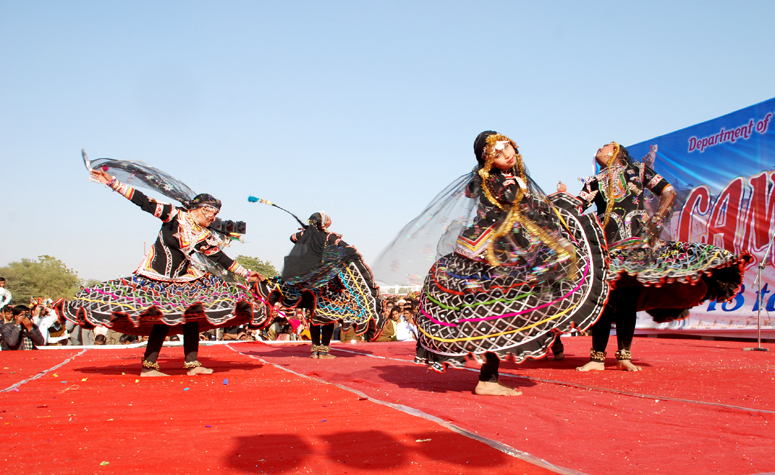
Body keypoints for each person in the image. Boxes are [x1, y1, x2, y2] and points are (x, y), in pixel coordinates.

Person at [384, 131, 610, 396]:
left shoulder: (508, 178)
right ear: (488, 160)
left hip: (505, 247)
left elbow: (530, 209)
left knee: (506, 310)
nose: (507, 154)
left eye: (508, 147)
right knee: (497, 312)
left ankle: (491, 376)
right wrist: (563, 214)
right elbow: (526, 207)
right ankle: (488, 379)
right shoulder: (494, 180)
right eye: (498, 153)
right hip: (493, 253)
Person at [55, 165, 265, 377]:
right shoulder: (174, 215)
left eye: (216, 214)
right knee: (163, 320)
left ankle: (192, 364)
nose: (213, 218)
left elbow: (219, 257)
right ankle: (148, 366)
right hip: (157, 279)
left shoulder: (203, 235)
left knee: (192, 317)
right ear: (200, 209)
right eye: (211, 213)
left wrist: (247, 274)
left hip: (185, 280)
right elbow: (143, 201)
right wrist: (112, 182)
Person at [559, 142, 750, 371]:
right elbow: (577, 207)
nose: (599, 148)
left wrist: (657, 221)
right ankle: (597, 358)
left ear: (617, 151)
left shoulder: (639, 171)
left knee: (628, 299)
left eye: (605, 145)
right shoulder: (594, 181)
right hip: (606, 248)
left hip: (639, 244)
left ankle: (624, 356)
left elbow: (668, 192)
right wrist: (561, 199)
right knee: (604, 300)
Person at [258, 212, 381, 359]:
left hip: (311, 282)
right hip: (327, 284)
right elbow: (346, 247)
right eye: (327, 218)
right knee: (328, 317)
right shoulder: (329, 236)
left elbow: (292, 237)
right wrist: (353, 251)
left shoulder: (306, 234)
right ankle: (323, 351)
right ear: (323, 223)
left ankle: (315, 350)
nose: (330, 219)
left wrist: (307, 231)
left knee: (315, 316)